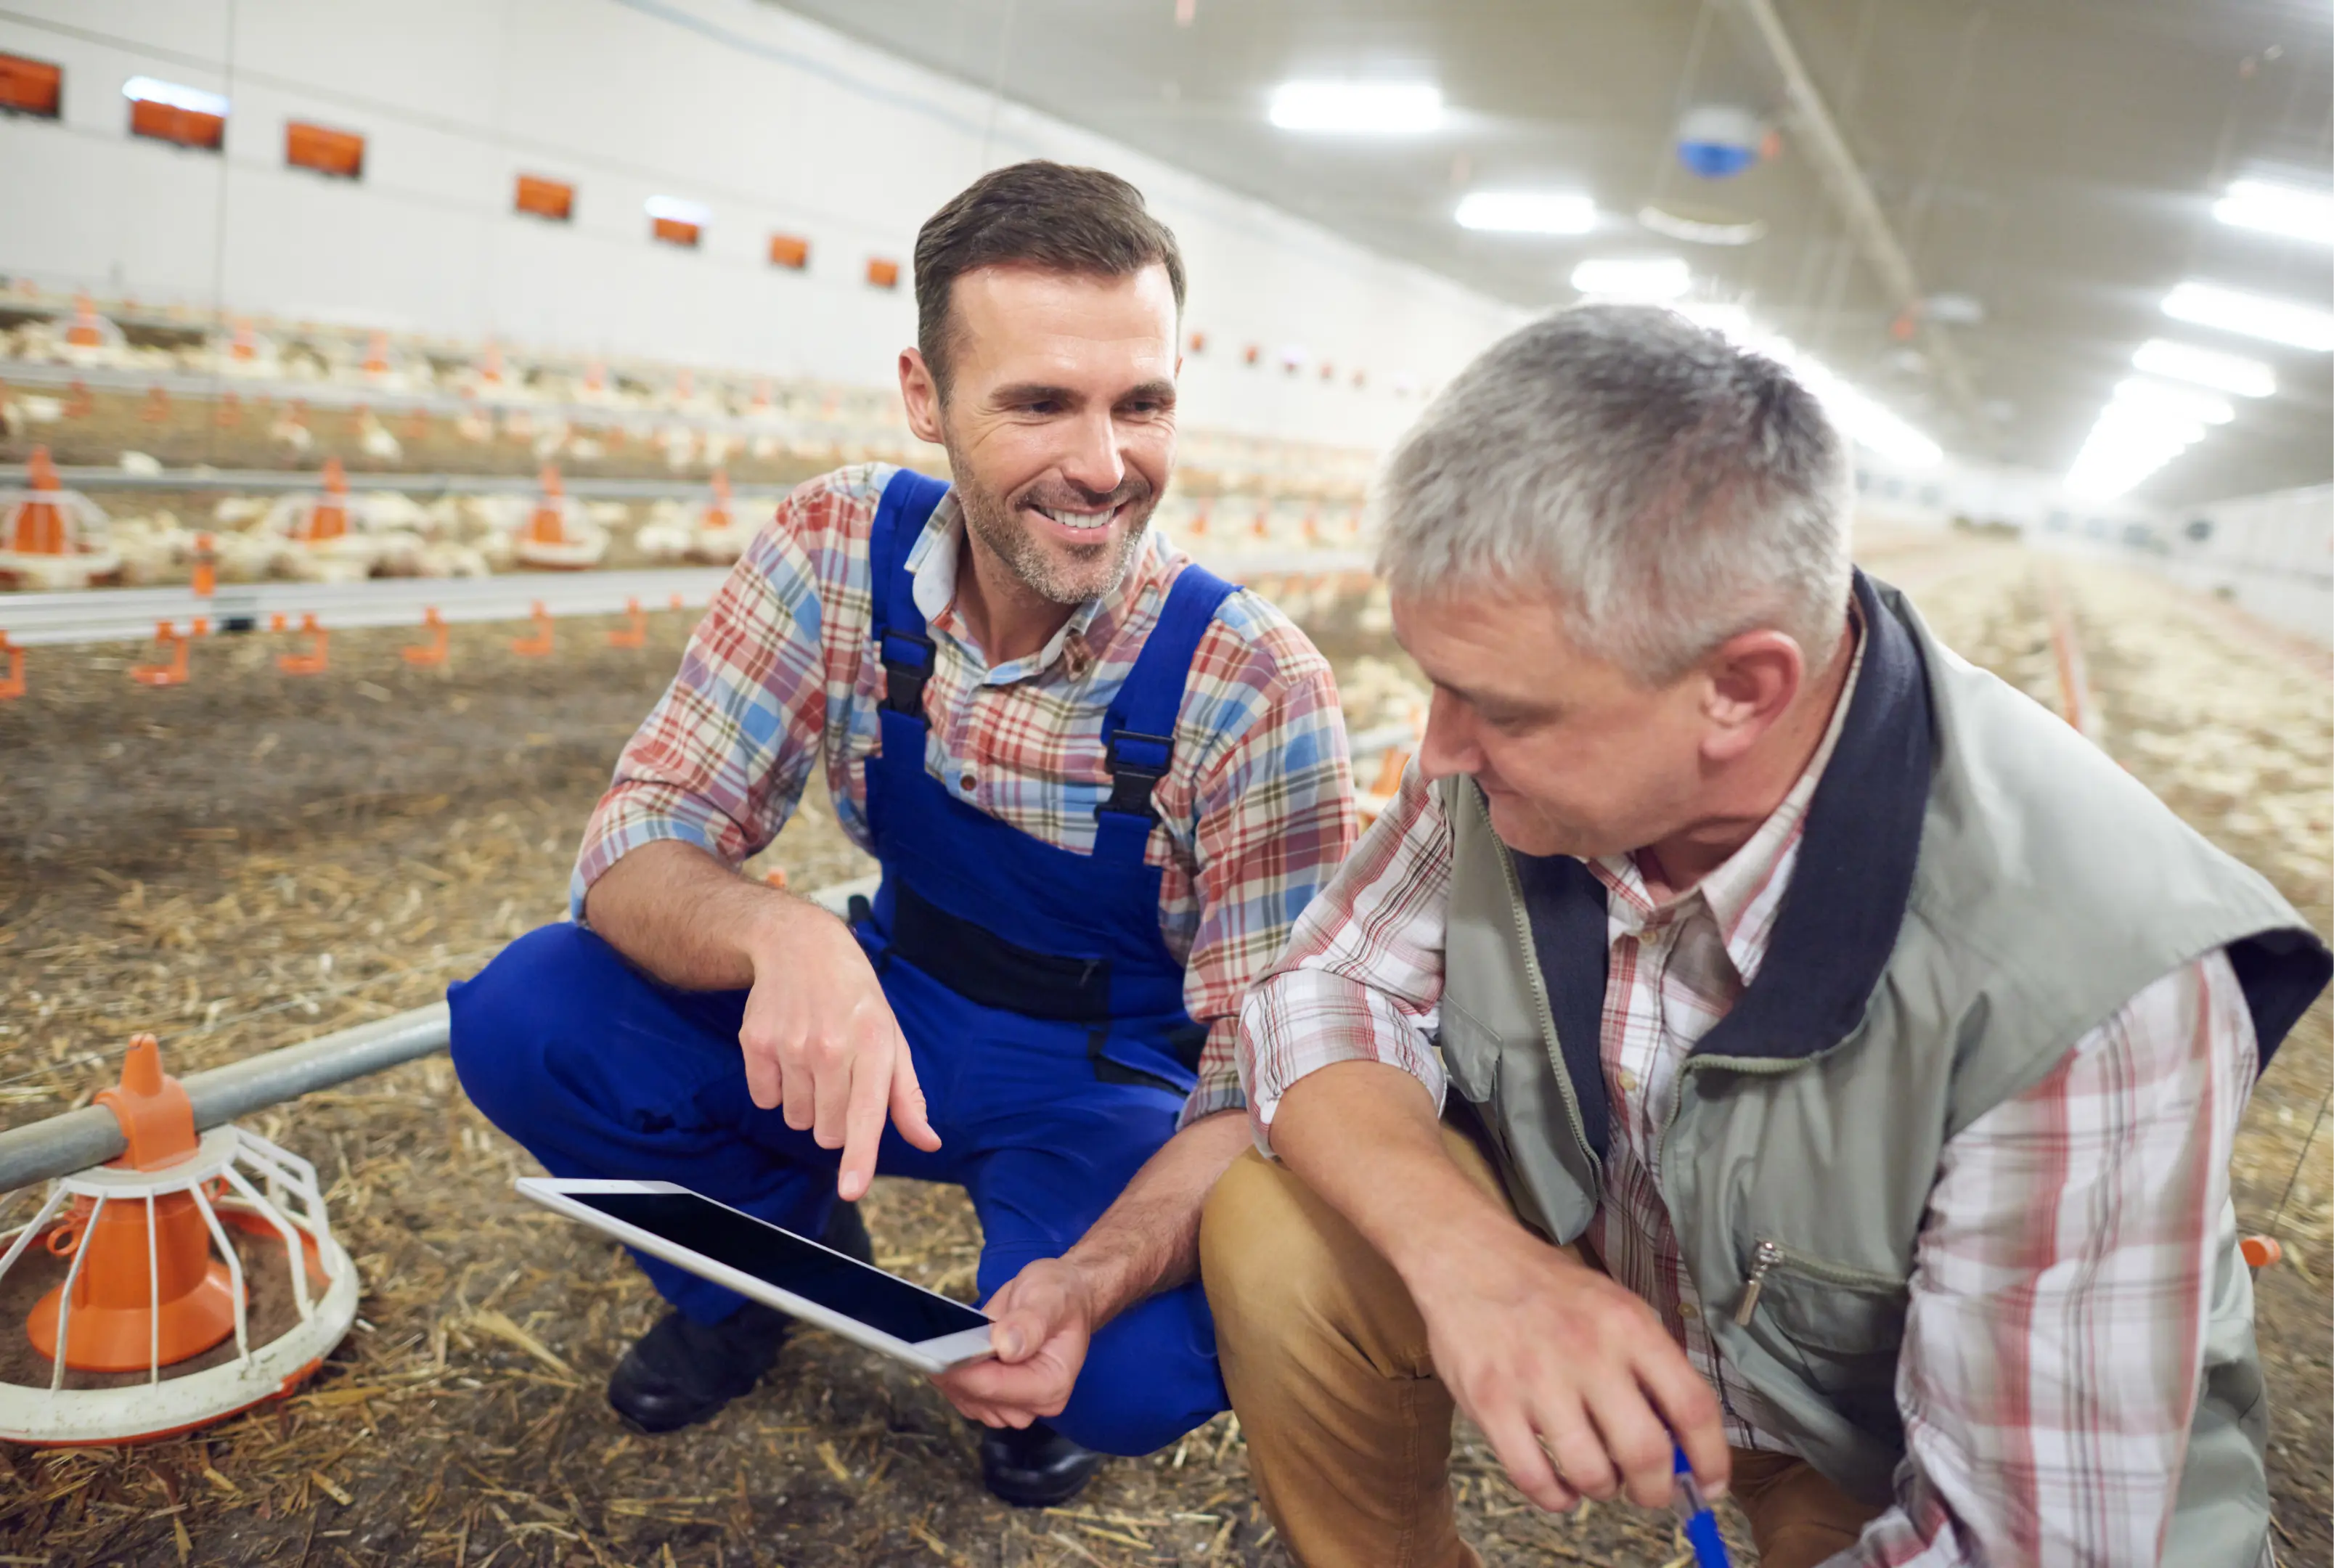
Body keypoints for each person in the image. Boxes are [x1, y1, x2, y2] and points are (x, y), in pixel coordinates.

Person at [1199, 304, 2333, 1568]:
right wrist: (1473, 1263)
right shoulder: (1500, 757)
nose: (1439, 750)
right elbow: (1325, 985)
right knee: (1279, 1233)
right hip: (1636, 1298)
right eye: (1434, 683)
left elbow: (2032, 1545)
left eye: (1498, 709)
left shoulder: (2085, 975)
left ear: (1740, 689)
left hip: (1894, 1442)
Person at [448, 160, 1353, 1508]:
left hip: (1103, 1071)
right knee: (533, 1014)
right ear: (924, 398)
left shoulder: (1253, 689)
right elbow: (640, 834)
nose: (1102, 465)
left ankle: (1044, 1358)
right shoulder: (834, 545)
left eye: (1141, 404)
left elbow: (1269, 1077)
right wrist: (779, 930)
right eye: (1039, 403)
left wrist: (1097, 1274)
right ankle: (759, 1277)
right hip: (889, 990)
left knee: (1137, 1364)